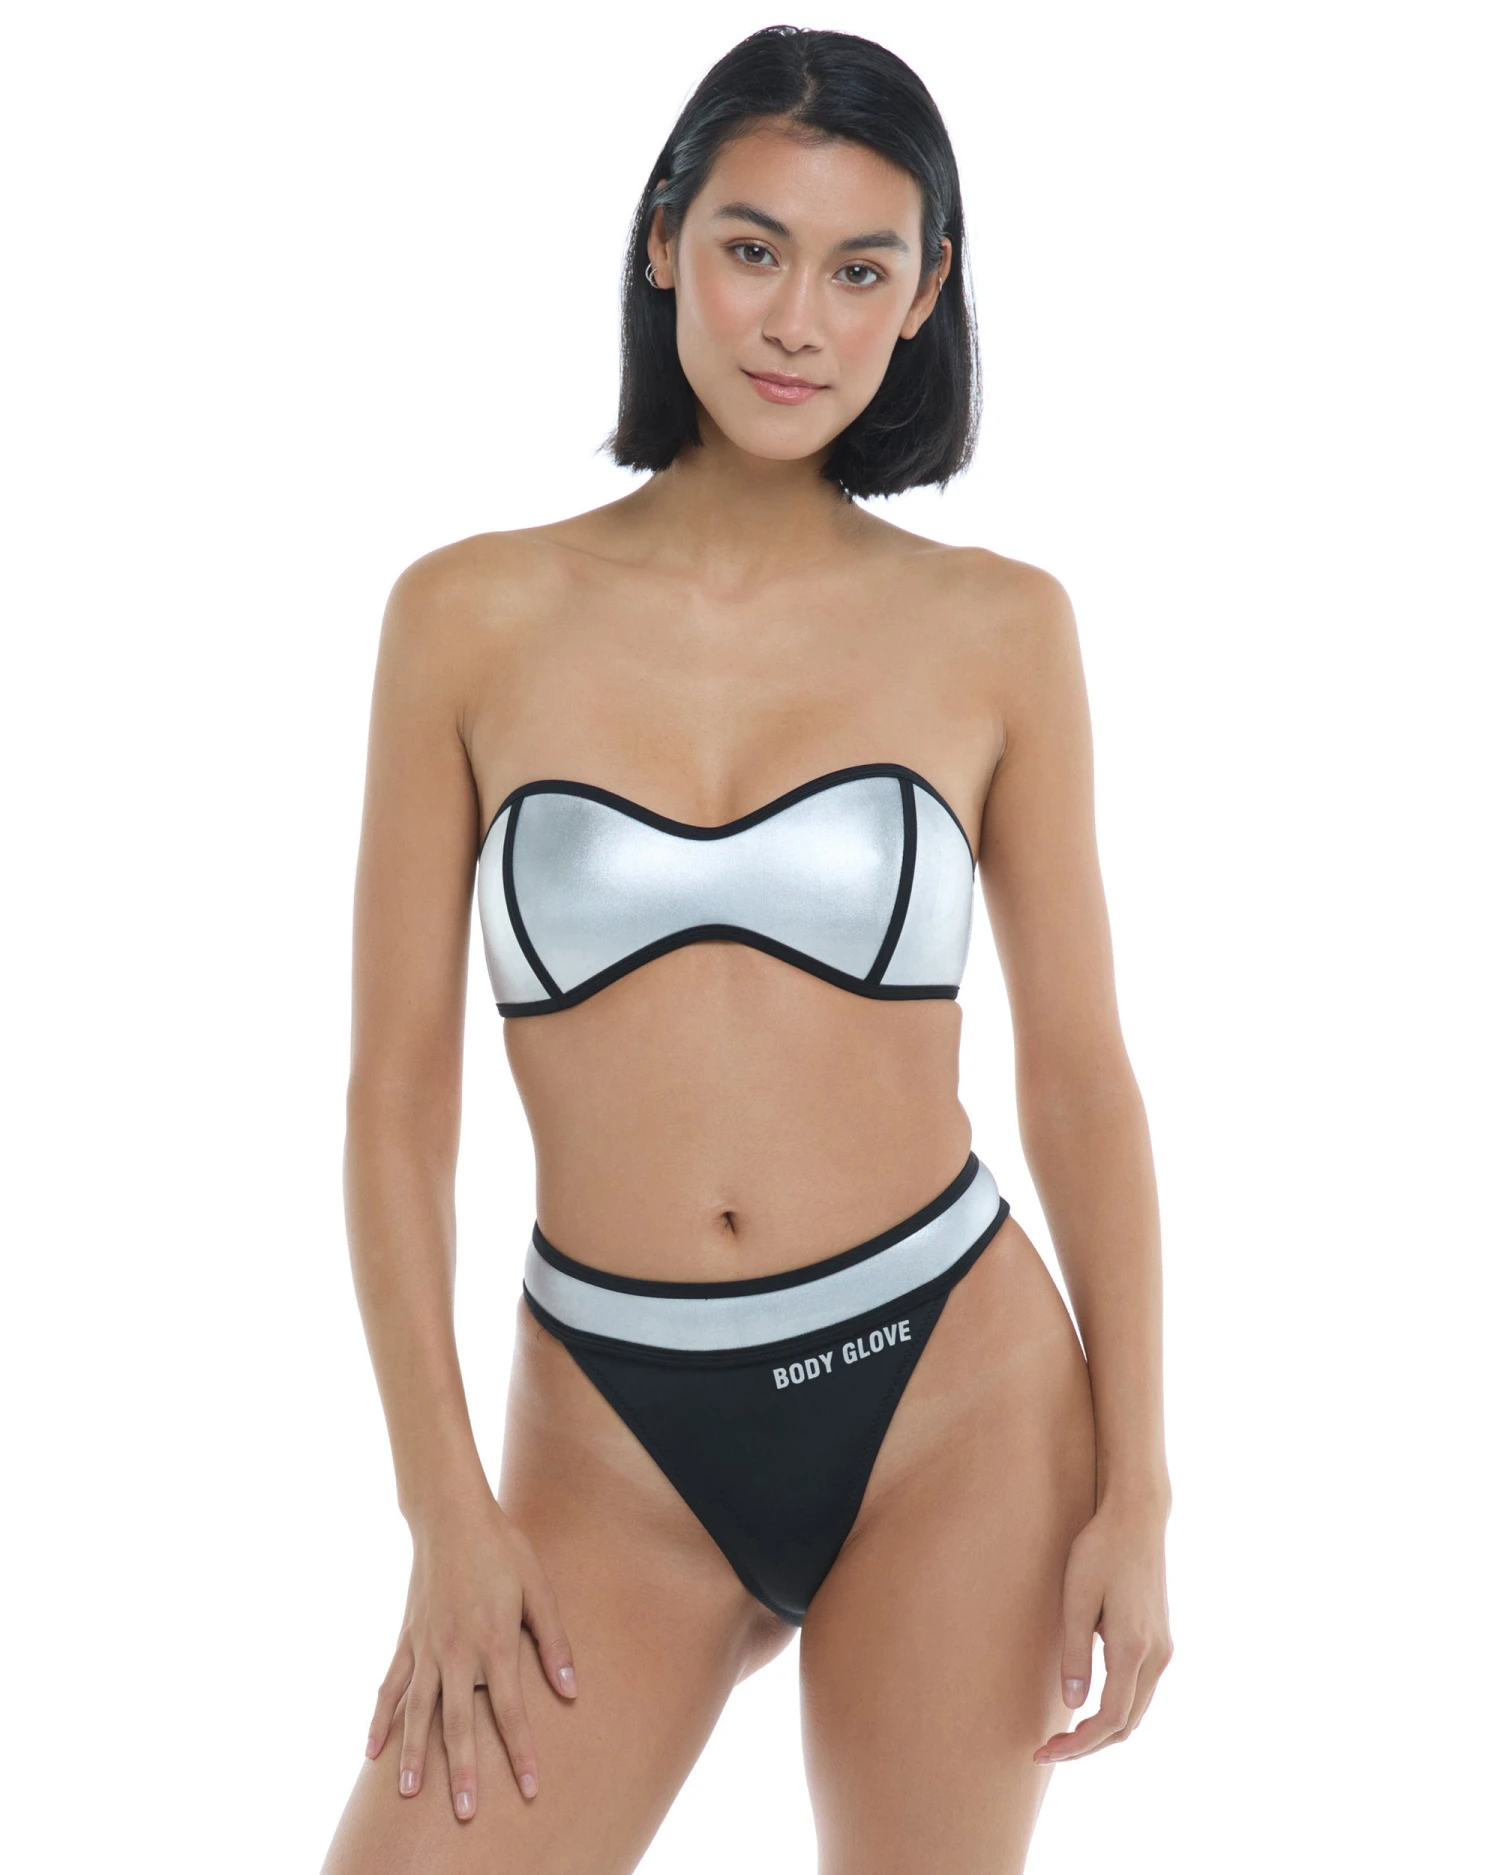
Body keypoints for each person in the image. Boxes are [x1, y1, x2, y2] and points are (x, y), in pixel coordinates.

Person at [321, 25, 1171, 1875]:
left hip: (955, 1399)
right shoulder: (467, 615)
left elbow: (1081, 1076)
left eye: (863, 271)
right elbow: (393, 1104)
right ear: (663, 242)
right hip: (608, 1438)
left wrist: (1142, 1486)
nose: (799, 321)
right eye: (753, 248)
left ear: (925, 297)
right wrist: (442, 1509)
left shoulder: (1001, 629)